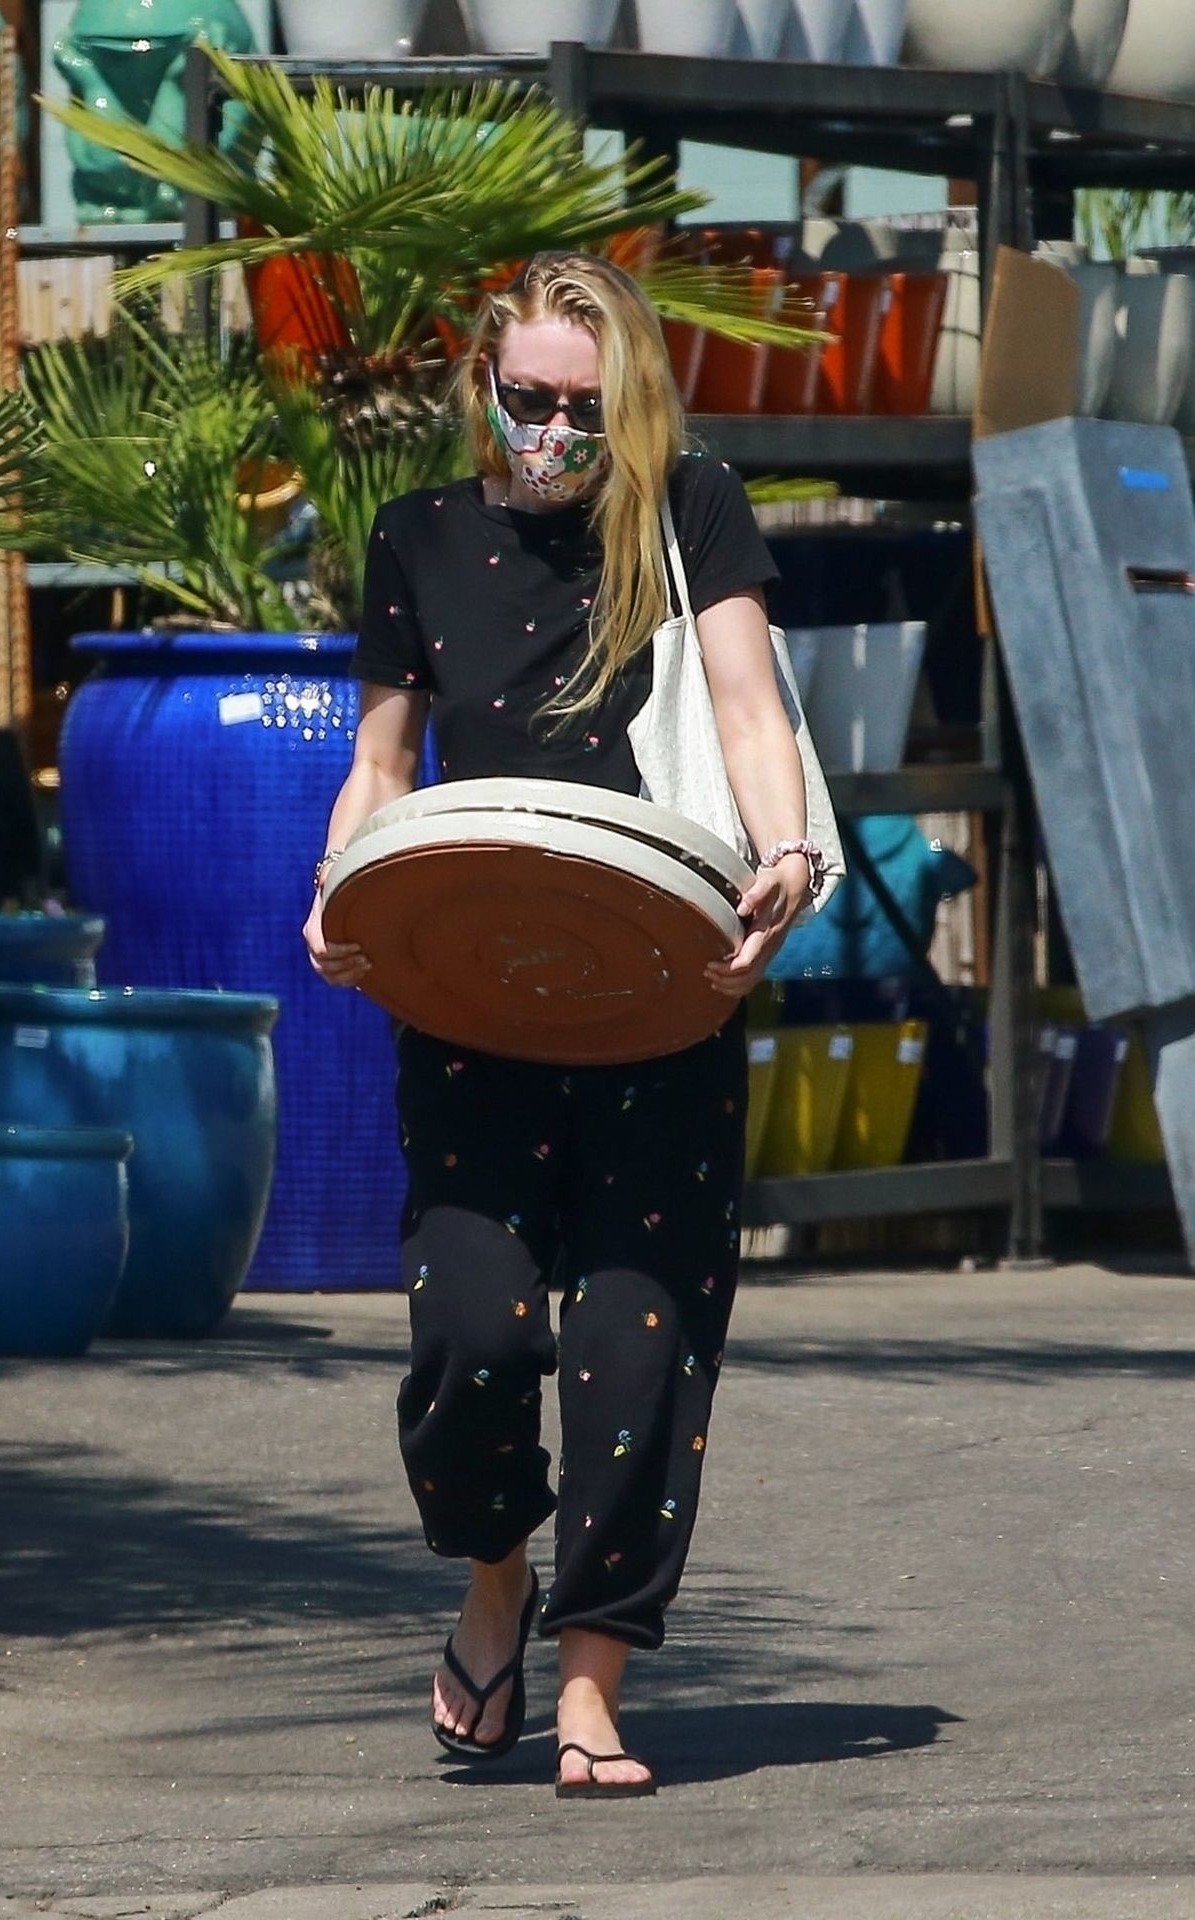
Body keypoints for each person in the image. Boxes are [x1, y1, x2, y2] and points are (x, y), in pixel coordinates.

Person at [302, 251, 821, 1798]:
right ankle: (494, 1577)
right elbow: (382, 761)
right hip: (472, 997)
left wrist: (788, 855)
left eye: (583, 409)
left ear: (632, 401)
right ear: (485, 385)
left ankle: (592, 1685)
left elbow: (749, 710)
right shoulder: (417, 536)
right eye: (524, 398)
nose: (549, 432)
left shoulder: (688, 512)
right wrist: (336, 889)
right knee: (469, 1331)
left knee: (633, 1344)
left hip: (664, 983)